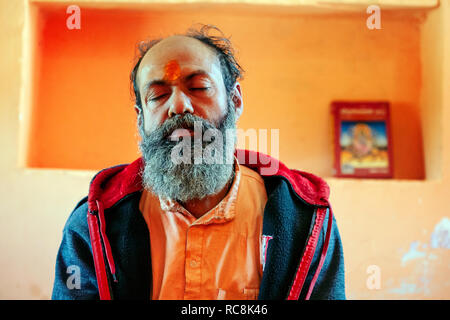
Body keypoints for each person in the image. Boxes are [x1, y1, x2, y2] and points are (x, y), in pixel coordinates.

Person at [51, 25, 345, 300]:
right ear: (141, 118)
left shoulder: (305, 221)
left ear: (235, 100)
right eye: (158, 95)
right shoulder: (93, 224)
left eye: (199, 88)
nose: (179, 106)